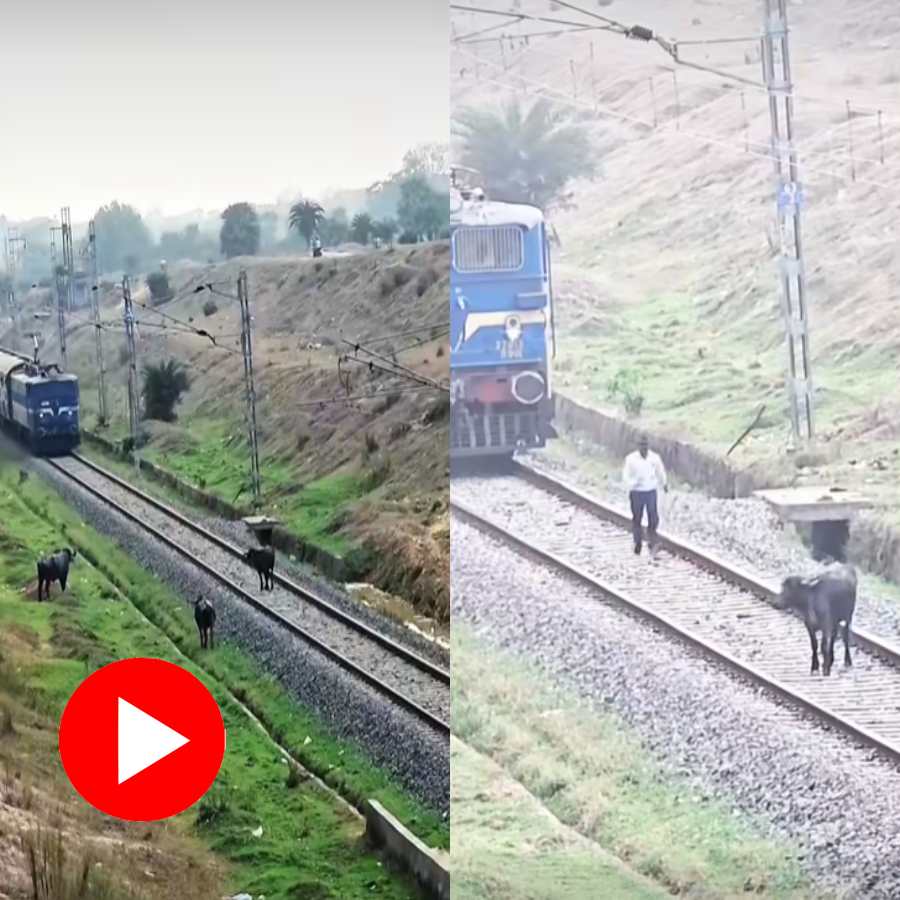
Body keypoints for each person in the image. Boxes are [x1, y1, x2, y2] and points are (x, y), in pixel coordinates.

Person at [622, 435, 668, 556]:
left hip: (650, 491)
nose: (644, 448)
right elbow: (626, 476)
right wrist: (632, 484)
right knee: (637, 518)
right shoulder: (631, 459)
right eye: (641, 445)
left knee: (653, 517)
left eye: (646, 445)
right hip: (637, 492)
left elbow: (660, 471)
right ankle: (637, 542)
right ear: (638, 446)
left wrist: (664, 483)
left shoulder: (654, 458)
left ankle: (652, 540)